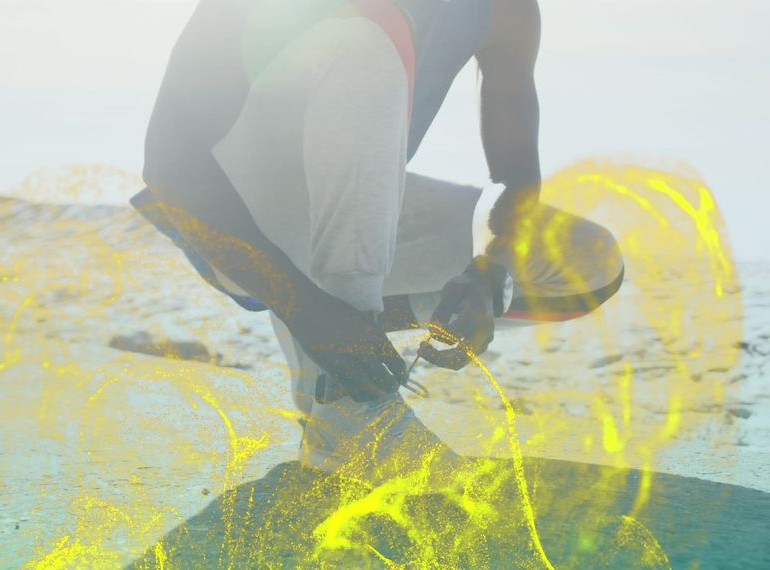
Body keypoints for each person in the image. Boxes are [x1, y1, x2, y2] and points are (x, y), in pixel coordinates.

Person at [133, 0, 624, 478]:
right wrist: (301, 307)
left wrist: (490, 270)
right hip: (235, 219)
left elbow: (516, 175)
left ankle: (349, 341)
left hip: (350, 217)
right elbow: (169, 167)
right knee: (374, 21)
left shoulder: (506, 9)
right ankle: (351, 413)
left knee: (588, 262)